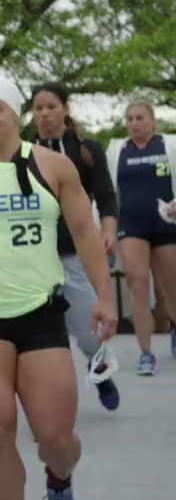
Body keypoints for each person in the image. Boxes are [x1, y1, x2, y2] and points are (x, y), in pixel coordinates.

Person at [0, 74, 118, 500]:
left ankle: (59, 480)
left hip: (41, 314)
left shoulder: (53, 167)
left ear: (15, 114)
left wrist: (104, 296)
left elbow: (84, 232)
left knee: (56, 440)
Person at [28, 81, 122, 408]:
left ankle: (100, 369)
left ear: (65, 109)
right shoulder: (22, 152)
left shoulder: (86, 149)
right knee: (42, 331)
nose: (45, 114)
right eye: (38, 108)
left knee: (86, 329)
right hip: (33, 256)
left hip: (74, 251)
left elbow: (106, 196)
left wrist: (108, 229)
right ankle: (51, 397)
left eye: (51, 107)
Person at [104, 98, 176, 373]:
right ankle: (146, 353)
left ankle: (173, 326)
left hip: (166, 224)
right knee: (138, 285)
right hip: (131, 225)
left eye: (140, 118)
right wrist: (106, 229)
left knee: (170, 287)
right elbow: (107, 192)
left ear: (152, 121)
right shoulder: (117, 150)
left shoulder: (169, 145)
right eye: (130, 119)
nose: (134, 124)